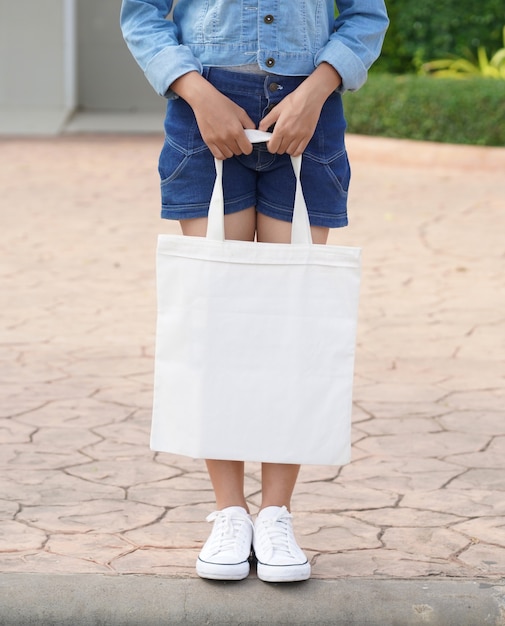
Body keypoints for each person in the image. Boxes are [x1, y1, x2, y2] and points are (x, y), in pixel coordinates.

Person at [120, 0, 388, 583]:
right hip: (206, 114)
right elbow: (142, 14)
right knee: (220, 324)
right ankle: (229, 514)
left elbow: (367, 15)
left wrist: (314, 93)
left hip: (307, 120)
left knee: (289, 326)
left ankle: (276, 515)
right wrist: (197, 92)